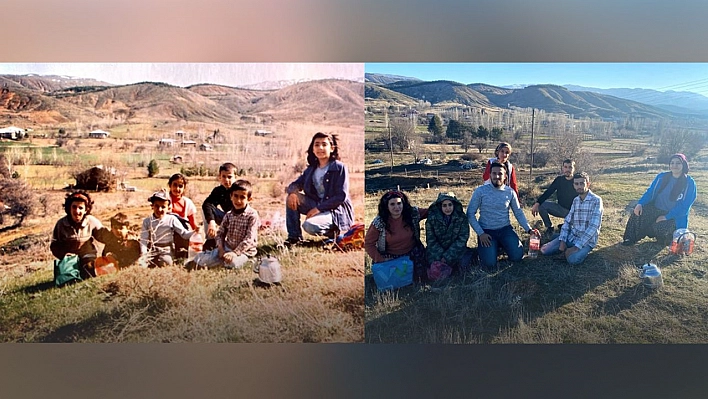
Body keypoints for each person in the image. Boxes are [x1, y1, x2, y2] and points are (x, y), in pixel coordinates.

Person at [285, 132, 354, 245]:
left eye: (324, 144)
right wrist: (292, 192)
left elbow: (341, 196)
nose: (320, 148)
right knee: (291, 198)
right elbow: (295, 184)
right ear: (312, 149)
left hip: (335, 210)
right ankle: (294, 238)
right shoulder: (311, 170)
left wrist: (318, 209)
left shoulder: (339, 168)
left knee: (309, 226)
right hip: (317, 204)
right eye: (316, 144)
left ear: (332, 148)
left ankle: (336, 233)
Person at [467, 162, 536, 270]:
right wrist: (481, 233)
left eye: (500, 174)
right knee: (489, 264)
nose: (497, 176)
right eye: (494, 173)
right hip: (486, 231)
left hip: (505, 229)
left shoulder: (510, 192)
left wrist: (529, 229)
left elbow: (518, 212)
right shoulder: (480, 191)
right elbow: (470, 213)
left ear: (505, 177)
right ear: (490, 175)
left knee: (518, 256)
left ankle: (502, 245)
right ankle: (493, 247)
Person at [622, 153, 697, 246]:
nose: (674, 165)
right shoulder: (661, 177)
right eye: (672, 163)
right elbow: (650, 192)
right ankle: (630, 239)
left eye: (678, 163)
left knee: (661, 228)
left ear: (684, 165)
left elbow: (685, 207)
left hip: (673, 215)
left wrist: (666, 217)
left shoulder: (689, 183)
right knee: (637, 213)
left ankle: (664, 240)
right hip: (655, 208)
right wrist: (640, 204)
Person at [192, 180, 260, 270]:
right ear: (231, 196)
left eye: (242, 197)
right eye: (235, 196)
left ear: (249, 199)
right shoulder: (229, 215)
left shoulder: (252, 215)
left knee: (232, 263)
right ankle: (219, 259)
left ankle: (242, 261)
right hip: (227, 248)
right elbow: (220, 233)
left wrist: (234, 253)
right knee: (200, 259)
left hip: (244, 251)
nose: (238, 200)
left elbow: (249, 239)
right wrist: (220, 249)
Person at [540, 172, 603, 265]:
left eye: (582, 183)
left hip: (586, 241)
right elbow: (568, 221)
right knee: (544, 250)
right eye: (576, 184)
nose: (579, 186)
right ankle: (560, 239)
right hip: (572, 236)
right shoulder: (576, 200)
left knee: (572, 260)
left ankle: (576, 249)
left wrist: (576, 247)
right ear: (573, 185)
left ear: (588, 184)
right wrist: (562, 241)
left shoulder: (596, 200)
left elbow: (593, 227)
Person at [365, 190, 428, 281]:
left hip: (414, 253)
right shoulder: (379, 222)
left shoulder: (413, 213)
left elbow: (431, 211)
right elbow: (368, 243)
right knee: (394, 282)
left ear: (403, 204)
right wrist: (380, 259)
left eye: (399, 203)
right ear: (386, 206)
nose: (396, 207)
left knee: (420, 279)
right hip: (390, 258)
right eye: (392, 204)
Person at [50, 191, 112, 279]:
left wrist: (119, 235)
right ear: (69, 208)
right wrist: (64, 255)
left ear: (86, 209)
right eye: (74, 207)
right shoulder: (61, 224)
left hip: (87, 256)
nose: (77, 211)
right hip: (70, 260)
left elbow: (106, 237)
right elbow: (54, 246)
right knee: (66, 278)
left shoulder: (91, 221)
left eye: (80, 208)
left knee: (90, 271)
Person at [140, 190, 195, 268]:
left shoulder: (171, 219)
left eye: (163, 207)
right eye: (156, 206)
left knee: (166, 262)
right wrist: (144, 254)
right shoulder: (147, 221)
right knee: (141, 265)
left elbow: (184, 234)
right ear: (152, 206)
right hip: (152, 249)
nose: (159, 210)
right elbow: (143, 240)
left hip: (166, 250)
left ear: (168, 208)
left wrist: (194, 232)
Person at [531, 159, 578, 236]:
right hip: (561, 209)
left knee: (573, 230)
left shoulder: (577, 180)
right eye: (565, 167)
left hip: (575, 213)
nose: (567, 169)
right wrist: (537, 203)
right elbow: (548, 192)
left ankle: (565, 226)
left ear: (574, 168)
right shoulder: (559, 180)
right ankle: (549, 227)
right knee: (542, 205)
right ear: (562, 168)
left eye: (570, 167)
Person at [425, 192, 470, 272]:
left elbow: (462, 239)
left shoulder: (461, 218)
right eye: (444, 205)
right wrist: (441, 256)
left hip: (456, 251)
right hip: (437, 253)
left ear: (454, 205)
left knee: (463, 266)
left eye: (450, 205)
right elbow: (431, 240)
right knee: (433, 268)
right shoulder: (432, 219)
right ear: (440, 206)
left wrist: (447, 256)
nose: (447, 208)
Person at [202, 163, 238, 250]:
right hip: (226, 217)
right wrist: (211, 221)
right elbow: (207, 204)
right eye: (224, 176)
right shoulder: (219, 190)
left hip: (239, 220)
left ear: (235, 177)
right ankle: (210, 238)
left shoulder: (238, 189)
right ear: (220, 177)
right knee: (206, 209)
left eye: (229, 177)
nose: (226, 180)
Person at [168, 173, 199, 260]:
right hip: (167, 232)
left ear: (184, 188)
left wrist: (196, 230)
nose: (177, 189)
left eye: (180, 186)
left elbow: (192, 222)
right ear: (170, 186)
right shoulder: (166, 200)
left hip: (182, 233)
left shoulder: (188, 203)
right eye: (175, 185)